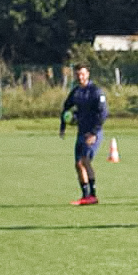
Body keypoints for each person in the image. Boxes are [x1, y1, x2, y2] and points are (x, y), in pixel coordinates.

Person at [59, 63, 108, 205]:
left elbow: (103, 113)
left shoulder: (96, 91)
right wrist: (63, 126)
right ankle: (86, 196)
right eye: (78, 74)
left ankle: (93, 195)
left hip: (93, 133)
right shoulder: (76, 92)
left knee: (84, 161)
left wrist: (93, 132)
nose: (80, 77)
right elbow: (66, 108)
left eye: (83, 74)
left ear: (88, 74)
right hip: (81, 132)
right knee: (78, 164)